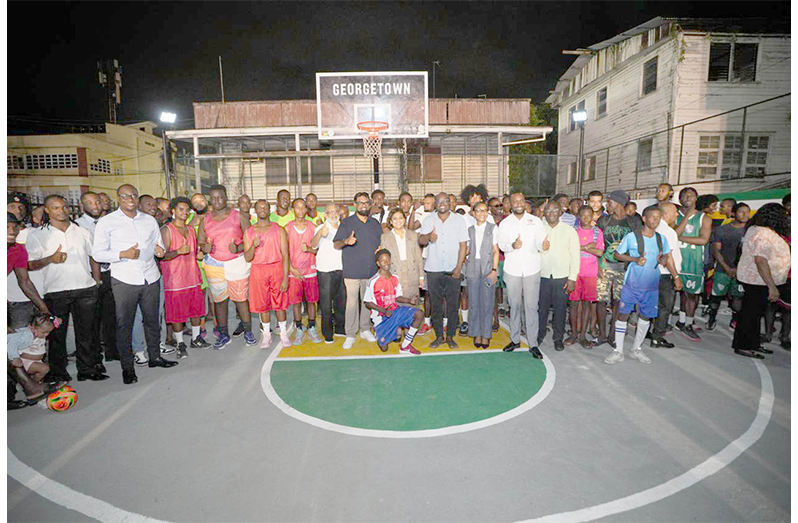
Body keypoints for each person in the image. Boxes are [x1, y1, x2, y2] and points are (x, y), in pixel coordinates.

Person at [92, 184, 176, 385]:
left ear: (137, 199)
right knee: (125, 324)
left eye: (134, 195)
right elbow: (97, 254)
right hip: (125, 279)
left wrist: (160, 251)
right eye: (125, 196)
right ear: (118, 198)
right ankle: (128, 368)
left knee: (152, 319)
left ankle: (155, 357)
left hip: (150, 276)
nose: (130, 199)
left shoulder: (149, 220)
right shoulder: (107, 222)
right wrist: (123, 254)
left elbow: (159, 244)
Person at [27, 195, 107, 383]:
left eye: (64, 207)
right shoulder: (37, 235)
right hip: (56, 291)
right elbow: (29, 265)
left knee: (86, 333)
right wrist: (50, 259)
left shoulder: (82, 231)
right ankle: (58, 372)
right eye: (55, 208)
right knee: (56, 336)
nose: (61, 211)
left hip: (85, 289)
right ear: (47, 210)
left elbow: (94, 256)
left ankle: (86, 369)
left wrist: (97, 281)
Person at [605, 206, 678, 365]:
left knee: (645, 317)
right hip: (631, 284)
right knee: (623, 315)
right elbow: (617, 254)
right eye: (652, 217)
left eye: (658, 218)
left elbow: (665, 255)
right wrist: (634, 259)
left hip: (651, 286)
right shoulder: (632, 237)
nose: (655, 220)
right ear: (644, 218)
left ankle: (636, 349)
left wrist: (665, 262)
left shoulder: (661, 238)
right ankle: (618, 351)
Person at [197, 185, 255, 348]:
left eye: (220, 197)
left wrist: (239, 247)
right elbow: (200, 241)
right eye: (213, 198)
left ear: (226, 197)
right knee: (219, 301)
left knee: (241, 300)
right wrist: (204, 247)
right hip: (214, 264)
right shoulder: (206, 219)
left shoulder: (238, 216)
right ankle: (223, 334)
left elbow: (251, 239)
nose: (217, 201)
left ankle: (248, 331)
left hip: (236, 262)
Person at [732, 203, 791, 359]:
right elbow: (760, 261)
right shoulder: (762, 233)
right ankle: (744, 346)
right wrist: (772, 287)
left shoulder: (759, 230)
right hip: (759, 281)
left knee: (754, 314)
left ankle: (753, 343)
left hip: (759, 281)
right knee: (750, 315)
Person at [160, 197, 210, 358]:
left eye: (186, 209)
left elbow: (195, 253)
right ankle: (180, 343)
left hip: (192, 276)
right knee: (177, 313)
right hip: (175, 280)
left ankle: (196, 338)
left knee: (196, 310)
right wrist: (178, 252)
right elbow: (163, 256)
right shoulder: (166, 230)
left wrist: (202, 253)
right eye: (180, 209)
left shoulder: (191, 230)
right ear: (173, 210)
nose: (184, 212)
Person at [498, 193, 547, 358]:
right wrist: (512, 245)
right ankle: (515, 340)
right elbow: (502, 245)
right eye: (515, 201)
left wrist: (544, 245)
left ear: (525, 203)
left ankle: (533, 344)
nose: (518, 203)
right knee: (514, 306)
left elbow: (541, 241)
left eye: (521, 201)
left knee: (532, 307)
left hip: (532, 270)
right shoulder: (505, 224)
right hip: (512, 270)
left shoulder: (536, 221)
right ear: (510, 205)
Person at [419, 192, 469, 349]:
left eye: (445, 201)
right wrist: (429, 237)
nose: (442, 203)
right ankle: (439, 336)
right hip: (433, 270)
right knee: (436, 305)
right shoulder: (428, 220)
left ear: (450, 203)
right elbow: (421, 240)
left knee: (453, 305)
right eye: (439, 201)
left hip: (453, 270)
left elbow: (463, 246)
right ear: (435, 204)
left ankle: (451, 336)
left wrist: (459, 267)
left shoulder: (459, 221)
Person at [333, 192, 383, 349]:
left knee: (367, 302)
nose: (363, 205)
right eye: (360, 203)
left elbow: (380, 244)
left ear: (369, 204)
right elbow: (336, 244)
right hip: (352, 271)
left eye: (366, 202)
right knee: (352, 304)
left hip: (371, 271)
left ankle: (365, 329)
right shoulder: (347, 223)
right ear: (355, 205)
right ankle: (350, 334)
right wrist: (346, 241)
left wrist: (380, 250)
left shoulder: (374, 223)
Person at [595, 190, 642, 348]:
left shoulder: (633, 222)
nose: (607, 205)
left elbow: (638, 244)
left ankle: (612, 335)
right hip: (605, 266)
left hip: (624, 268)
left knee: (618, 302)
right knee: (601, 301)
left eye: (610, 202)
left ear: (619, 203)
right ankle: (601, 334)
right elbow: (597, 244)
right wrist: (598, 263)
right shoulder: (604, 221)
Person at [76, 191, 118, 363]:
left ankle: (112, 351)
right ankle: (94, 356)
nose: (96, 206)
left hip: (111, 273)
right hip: (89, 276)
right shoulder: (77, 226)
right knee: (91, 319)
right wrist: (96, 278)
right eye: (91, 203)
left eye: (98, 202)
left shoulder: (109, 223)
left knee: (111, 315)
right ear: (82, 206)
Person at [243, 199, 291, 349]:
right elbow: (247, 257)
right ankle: (266, 336)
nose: (262, 209)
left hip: (275, 267)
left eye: (265, 207)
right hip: (258, 270)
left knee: (280, 304)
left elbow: (285, 255)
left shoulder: (279, 229)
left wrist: (285, 278)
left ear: (269, 210)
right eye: (259, 207)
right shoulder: (249, 232)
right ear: (255, 211)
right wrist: (253, 246)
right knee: (262, 305)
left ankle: (283, 334)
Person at [538, 201, 580, 351]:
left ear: (561, 212)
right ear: (544, 212)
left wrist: (572, 278)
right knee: (541, 309)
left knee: (560, 310)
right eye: (548, 210)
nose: (551, 213)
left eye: (555, 210)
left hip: (562, 277)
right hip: (541, 276)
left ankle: (558, 338)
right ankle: (540, 334)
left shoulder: (569, 230)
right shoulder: (538, 228)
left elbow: (575, 255)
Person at [364, 250, 423, 354]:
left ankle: (405, 345)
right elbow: (367, 302)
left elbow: (397, 297)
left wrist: (410, 300)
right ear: (378, 263)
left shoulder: (395, 277)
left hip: (395, 311)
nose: (386, 263)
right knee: (384, 349)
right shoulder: (373, 281)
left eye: (388, 260)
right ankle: (380, 333)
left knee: (419, 314)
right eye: (383, 261)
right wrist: (383, 310)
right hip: (381, 317)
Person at [674, 187, 712, 341]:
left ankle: (687, 324)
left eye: (691, 195)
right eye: (684, 195)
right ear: (680, 199)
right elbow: (672, 234)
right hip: (675, 261)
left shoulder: (704, 218)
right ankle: (680, 321)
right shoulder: (674, 216)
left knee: (691, 294)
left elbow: (703, 240)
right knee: (676, 295)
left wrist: (679, 238)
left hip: (694, 262)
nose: (688, 198)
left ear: (696, 198)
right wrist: (685, 219)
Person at [706, 202, 750, 331]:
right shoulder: (722, 230)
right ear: (734, 213)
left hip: (742, 272)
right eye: (741, 211)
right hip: (722, 270)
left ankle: (735, 320)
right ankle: (711, 319)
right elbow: (716, 250)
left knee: (738, 298)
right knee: (716, 297)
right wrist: (726, 268)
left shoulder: (752, 231)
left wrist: (738, 269)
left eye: (747, 211)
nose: (745, 214)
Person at [567, 206, 605, 348]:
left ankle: (583, 335)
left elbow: (600, 252)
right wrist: (587, 247)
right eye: (583, 216)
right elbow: (570, 250)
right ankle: (574, 334)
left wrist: (584, 247)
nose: (586, 218)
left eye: (589, 215)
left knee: (587, 304)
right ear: (579, 217)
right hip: (575, 273)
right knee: (573, 304)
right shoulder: (573, 232)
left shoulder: (597, 231)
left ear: (593, 216)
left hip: (590, 273)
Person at [286, 198, 322, 345]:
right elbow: (283, 252)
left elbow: (318, 249)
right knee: (296, 302)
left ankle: (312, 326)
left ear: (306, 209)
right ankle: (299, 328)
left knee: (312, 301)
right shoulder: (287, 228)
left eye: (302, 207)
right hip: (294, 271)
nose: (300, 210)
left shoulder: (312, 227)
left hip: (310, 270)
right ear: (293, 210)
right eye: (297, 207)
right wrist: (291, 269)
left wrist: (308, 249)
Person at [464, 202, 500, 348]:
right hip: (472, 268)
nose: (482, 213)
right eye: (478, 211)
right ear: (473, 213)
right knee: (474, 302)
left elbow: (496, 251)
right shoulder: (469, 230)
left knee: (487, 303)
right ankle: (476, 333)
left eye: (485, 211)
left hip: (487, 268)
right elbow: (465, 250)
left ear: (488, 212)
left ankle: (485, 334)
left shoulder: (493, 228)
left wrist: (494, 270)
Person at [650, 202, 684, 348]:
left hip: (651, 273)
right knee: (665, 307)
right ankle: (657, 337)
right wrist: (676, 276)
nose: (677, 215)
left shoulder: (653, 228)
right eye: (675, 211)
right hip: (665, 274)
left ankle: (647, 332)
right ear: (665, 214)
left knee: (651, 305)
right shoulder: (668, 232)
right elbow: (668, 256)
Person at [312, 203, 345, 343]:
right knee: (326, 304)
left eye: (335, 211)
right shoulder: (321, 228)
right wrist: (320, 233)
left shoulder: (344, 228)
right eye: (330, 212)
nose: (333, 214)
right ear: (325, 215)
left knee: (341, 301)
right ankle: (327, 333)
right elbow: (313, 244)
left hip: (342, 269)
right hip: (325, 270)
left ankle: (340, 328)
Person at [380, 208, 424, 300]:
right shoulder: (385, 237)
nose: (398, 221)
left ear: (404, 220)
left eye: (400, 218)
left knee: (412, 304)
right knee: (396, 303)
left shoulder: (413, 235)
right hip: (394, 272)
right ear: (391, 222)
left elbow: (418, 257)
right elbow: (384, 260)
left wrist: (421, 276)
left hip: (412, 272)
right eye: (395, 219)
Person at [7, 313, 56, 384]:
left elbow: (49, 320)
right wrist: (15, 357)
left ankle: (32, 384)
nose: (46, 334)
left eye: (48, 332)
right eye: (44, 332)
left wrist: (56, 320)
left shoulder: (38, 331)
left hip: (34, 361)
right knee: (45, 369)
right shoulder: (27, 336)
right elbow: (12, 343)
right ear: (32, 327)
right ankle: (32, 386)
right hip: (25, 361)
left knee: (41, 373)